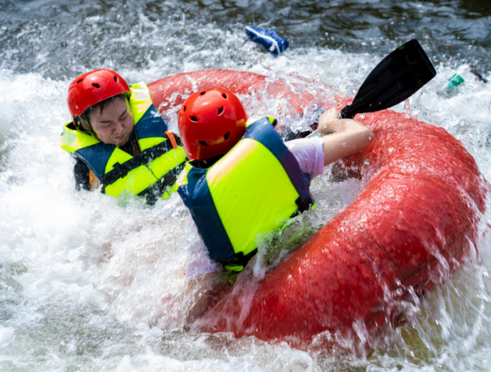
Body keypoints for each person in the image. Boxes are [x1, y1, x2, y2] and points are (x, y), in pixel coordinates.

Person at [175, 87, 374, 273]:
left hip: (256, 282)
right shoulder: (291, 154)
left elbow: (200, 286)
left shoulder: (203, 209)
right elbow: (362, 135)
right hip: (313, 254)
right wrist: (330, 124)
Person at [59, 69, 186, 204]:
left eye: (123, 116)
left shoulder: (160, 114)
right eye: (105, 124)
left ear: (130, 105)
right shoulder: (88, 172)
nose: (119, 129)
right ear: (85, 126)